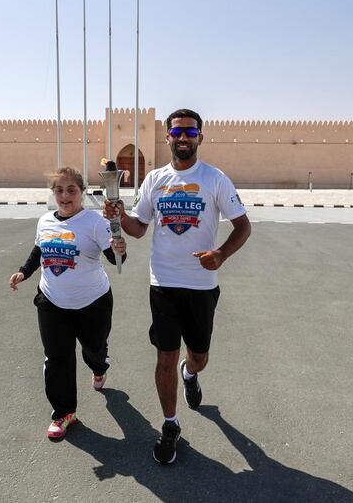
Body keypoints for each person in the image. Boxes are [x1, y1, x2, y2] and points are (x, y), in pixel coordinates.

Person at [104, 108, 251, 464]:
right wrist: (119, 213)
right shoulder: (154, 179)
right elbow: (139, 229)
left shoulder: (215, 179)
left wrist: (221, 253)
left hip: (202, 286)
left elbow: (243, 227)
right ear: (167, 137)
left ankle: (191, 373)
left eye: (190, 132)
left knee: (198, 356)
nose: (183, 138)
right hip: (164, 283)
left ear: (200, 137)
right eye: (176, 132)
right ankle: (170, 425)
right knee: (164, 356)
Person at [9, 167, 127, 440]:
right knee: (57, 358)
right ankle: (64, 413)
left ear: (81, 193)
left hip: (93, 302)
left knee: (94, 348)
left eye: (71, 190)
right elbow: (38, 250)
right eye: (59, 190)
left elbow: (114, 257)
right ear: (53, 193)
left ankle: (99, 367)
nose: (65, 196)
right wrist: (23, 272)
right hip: (52, 302)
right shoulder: (45, 222)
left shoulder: (94, 222)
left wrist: (119, 250)